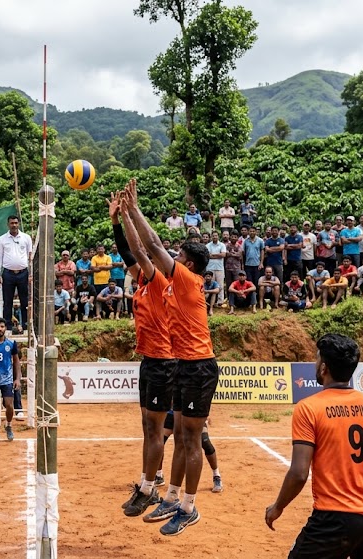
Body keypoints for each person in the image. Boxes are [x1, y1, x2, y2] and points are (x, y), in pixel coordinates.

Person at [123, 180, 219, 536]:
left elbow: (153, 244)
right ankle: (172, 496)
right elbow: (141, 251)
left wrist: (134, 208)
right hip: (183, 365)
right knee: (178, 434)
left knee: (191, 440)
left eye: (178, 256)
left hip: (198, 367)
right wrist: (124, 219)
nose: (171, 258)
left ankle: (189, 507)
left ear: (188, 263)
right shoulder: (168, 283)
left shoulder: (188, 281)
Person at [265, 334, 363, 559]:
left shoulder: (309, 408)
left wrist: (277, 507)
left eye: (317, 359)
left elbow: (299, 473)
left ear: (324, 368)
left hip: (333, 520)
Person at [113, 188, 175, 518]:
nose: (137, 267)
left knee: (154, 428)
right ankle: (148, 480)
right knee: (147, 427)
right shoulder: (142, 282)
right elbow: (126, 252)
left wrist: (127, 213)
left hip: (165, 362)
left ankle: (151, 488)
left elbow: (138, 249)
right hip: (149, 361)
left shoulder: (159, 278)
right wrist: (114, 219)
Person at [0, 214, 32, 331]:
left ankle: (26, 325)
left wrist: (31, 274)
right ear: (8, 224)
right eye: (12, 223)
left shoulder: (26, 238)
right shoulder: (2, 239)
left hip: (23, 273)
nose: (14, 225)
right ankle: (8, 326)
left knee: (24, 300)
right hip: (8, 274)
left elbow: (30, 257)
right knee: (8, 301)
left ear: (19, 224)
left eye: (16, 223)